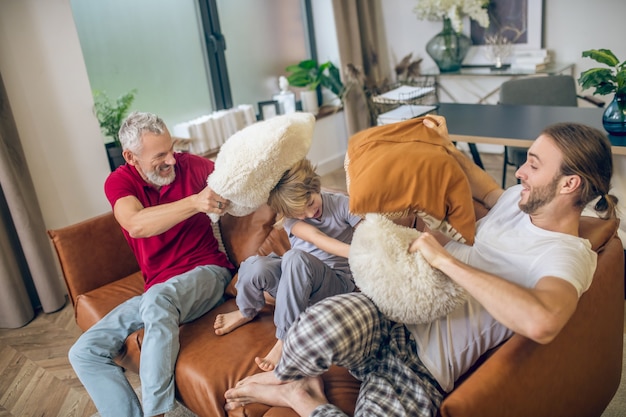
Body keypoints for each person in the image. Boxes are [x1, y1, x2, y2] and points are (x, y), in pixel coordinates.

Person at [222, 120, 617, 416]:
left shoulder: (567, 255)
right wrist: (447, 146)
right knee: (314, 327)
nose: (519, 172)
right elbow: (487, 188)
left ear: (569, 185)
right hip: (388, 317)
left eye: (533, 164)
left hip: (421, 369)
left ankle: (300, 399)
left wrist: (444, 258)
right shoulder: (518, 200)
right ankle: (288, 372)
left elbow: (543, 321)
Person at [68, 111, 234, 417]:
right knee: (83, 351)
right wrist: (195, 202)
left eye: (171, 149)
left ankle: (158, 412)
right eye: (161, 155)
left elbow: (235, 179)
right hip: (158, 291)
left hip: (208, 273)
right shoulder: (120, 182)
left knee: (159, 298)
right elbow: (135, 224)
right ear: (131, 157)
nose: (172, 160)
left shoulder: (192, 165)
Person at [213, 158, 361, 371]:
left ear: (315, 186)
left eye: (310, 203)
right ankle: (247, 311)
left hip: (335, 284)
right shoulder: (292, 220)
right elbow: (315, 237)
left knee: (295, 257)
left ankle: (285, 340)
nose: (309, 214)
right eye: (300, 212)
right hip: (297, 281)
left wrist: (360, 254)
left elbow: (371, 230)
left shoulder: (341, 204)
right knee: (255, 266)